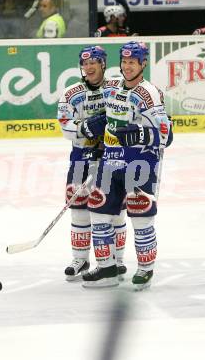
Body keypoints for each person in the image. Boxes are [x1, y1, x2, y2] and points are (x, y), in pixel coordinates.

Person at [82, 41, 173, 290]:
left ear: (143, 63)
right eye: (124, 62)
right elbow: (110, 118)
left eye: (132, 62)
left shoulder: (149, 93)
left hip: (140, 162)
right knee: (98, 209)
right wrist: (98, 124)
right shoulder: (111, 86)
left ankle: (145, 268)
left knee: (141, 215)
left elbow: (167, 134)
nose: (127, 66)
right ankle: (107, 267)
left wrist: (141, 134)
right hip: (111, 160)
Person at [57, 45, 128, 282]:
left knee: (114, 210)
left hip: (112, 158)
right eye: (85, 64)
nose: (88, 67)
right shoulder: (71, 93)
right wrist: (86, 128)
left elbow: (126, 113)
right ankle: (81, 259)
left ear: (103, 64)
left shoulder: (116, 88)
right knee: (78, 209)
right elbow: (65, 124)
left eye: (93, 63)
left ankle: (116, 259)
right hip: (81, 157)